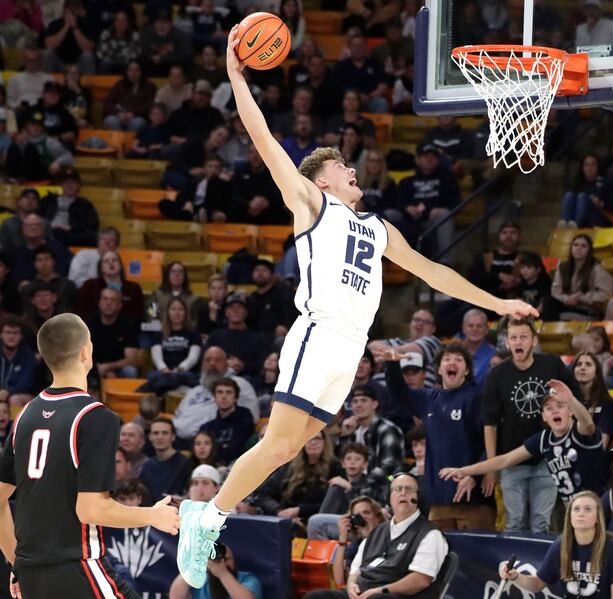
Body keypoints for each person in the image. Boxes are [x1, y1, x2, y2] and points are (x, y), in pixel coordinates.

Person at [177, 28, 536, 588]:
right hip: (318, 332)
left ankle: (212, 512)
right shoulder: (312, 201)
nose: (352, 168)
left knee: (293, 447)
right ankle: (206, 518)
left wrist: (499, 303)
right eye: (342, 165)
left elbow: (433, 272)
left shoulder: (378, 227)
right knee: (277, 441)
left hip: (349, 350)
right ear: (322, 179)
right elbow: (266, 140)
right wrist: (235, 76)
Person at [0, 314, 179, 598]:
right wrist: (153, 515)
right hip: (77, 566)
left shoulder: (24, 415)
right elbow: (91, 509)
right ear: (85, 351)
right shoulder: (95, 416)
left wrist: (17, 563)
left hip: (33, 574)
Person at [443, 379, 607, 520]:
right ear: (543, 416)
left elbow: (588, 424)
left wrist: (570, 399)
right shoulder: (543, 439)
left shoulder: (579, 432)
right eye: (549, 408)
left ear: (570, 411)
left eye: (560, 405)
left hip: (598, 505)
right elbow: (505, 460)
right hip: (573, 510)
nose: (555, 410)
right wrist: (466, 470)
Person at [481, 316, 581, 533]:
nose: (518, 342)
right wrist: (492, 466)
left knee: (541, 523)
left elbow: (575, 401)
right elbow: (489, 423)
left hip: (548, 458)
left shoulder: (552, 364)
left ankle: (539, 567)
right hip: (512, 459)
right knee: (515, 523)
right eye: (513, 337)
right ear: (507, 342)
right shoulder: (496, 375)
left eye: (523, 337)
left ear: (534, 340)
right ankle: (513, 567)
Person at [384, 343, 496, 531]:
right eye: (447, 359)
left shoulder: (477, 396)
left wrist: (476, 474)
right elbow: (399, 393)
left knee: (476, 558)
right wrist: (392, 365)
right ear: (439, 369)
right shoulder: (429, 398)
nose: (452, 362)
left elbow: (491, 438)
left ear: (466, 370)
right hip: (437, 500)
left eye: (458, 359)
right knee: (439, 557)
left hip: (472, 498)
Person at [303, 473, 449, 599]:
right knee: (315, 597)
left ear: (419, 498)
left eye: (409, 489)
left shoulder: (430, 534)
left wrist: (382, 590)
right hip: (365, 593)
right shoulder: (376, 532)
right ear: (389, 498)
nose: (403, 493)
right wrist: (351, 587)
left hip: (395, 596)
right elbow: (354, 572)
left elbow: (421, 580)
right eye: (397, 489)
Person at [498, 491, 613, 599]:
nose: (581, 514)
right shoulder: (562, 544)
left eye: (587, 509)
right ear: (570, 516)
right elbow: (538, 583)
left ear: (597, 517)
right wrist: (515, 576)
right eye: (576, 509)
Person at [172, 346, 259, 443]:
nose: (212, 364)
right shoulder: (195, 391)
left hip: (212, 442)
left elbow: (251, 418)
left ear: (227, 364)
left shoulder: (239, 384)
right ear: (202, 366)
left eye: (218, 360)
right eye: (208, 360)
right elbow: (177, 415)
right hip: (177, 440)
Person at [306, 443, 388, 539]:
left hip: (361, 525)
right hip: (346, 522)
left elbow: (361, 510)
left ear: (365, 464)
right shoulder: (341, 484)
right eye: (348, 459)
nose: (352, 462)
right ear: (343, 463)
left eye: (357, 459)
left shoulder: (370, 482)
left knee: (315, 522)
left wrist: (349, 488)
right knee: (335, 488)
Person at [337, 385, 404, 479]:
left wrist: (361, 484)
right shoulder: (353, 430)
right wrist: (345, 435)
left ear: (375, 404)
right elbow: (341, 465)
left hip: (381, 487)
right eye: (355, 401)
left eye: (364, 400)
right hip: (354, 485)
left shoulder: (388, 429)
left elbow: (389, 465)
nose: (358, 404)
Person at [545, 234, 613, 321]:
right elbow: (555, 291)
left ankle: (552, 329)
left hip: (588, 309)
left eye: (583, 246)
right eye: (575, 245)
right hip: (567, 306)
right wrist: (566, 299)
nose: (578, 248)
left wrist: (581, 297)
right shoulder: (563, 267)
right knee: (549, 301)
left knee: (556, 316)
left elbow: (605, 295)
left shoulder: (597, 270)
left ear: (589, 250)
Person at [169, 543, 263, 599]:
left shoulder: (247, 579)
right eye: (217, 559)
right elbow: (175, 596)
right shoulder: (201, 581)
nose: (222, 563)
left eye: (227, 559)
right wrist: (195, 565)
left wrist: (223, 574)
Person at [86, 288, 140, 382]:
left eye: (113, 300)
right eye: (105, 299)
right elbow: (82, 354)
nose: (108, 303)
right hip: (94, 367)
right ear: (99, 303)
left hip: (118, 368)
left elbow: (132, 359)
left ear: (120, 305)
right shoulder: (89, 324)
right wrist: (97, 369)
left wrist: (107, 367)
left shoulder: (128, 325)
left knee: (130, 371)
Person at [199, 378, 255, 466]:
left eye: (228, 392)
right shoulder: (207, 427)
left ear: (236, 398)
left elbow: (235, 450)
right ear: (214, 397)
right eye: (220, 392)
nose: (224, 396)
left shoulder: (244, 419)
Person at [571, 351, 613, 447]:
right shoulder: (567, 402)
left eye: (588, 364)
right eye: (579, 364)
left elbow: (602, 445)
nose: (582, 367)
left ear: (596, 373)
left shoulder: (607, 403)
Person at [140, 417, 193, 502]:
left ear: (173, 437)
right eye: (156, 433)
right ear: (150, 437)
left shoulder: (185, 463)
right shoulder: (147, 466)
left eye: (165, 433)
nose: (160, 437)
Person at [558, 153, 611, 228]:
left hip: (595, 216)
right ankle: (566, 223)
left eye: (593, 165)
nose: (590, 168)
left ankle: (576, 225)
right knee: (569, 195)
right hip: (576, 215)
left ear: (598, 167)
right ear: (582, 167)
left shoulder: (604, 182)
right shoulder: (578, 182)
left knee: (582, 196)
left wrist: (600, 203)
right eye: (586, 165)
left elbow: (612, 204)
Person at [0, 316, 36, 407]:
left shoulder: (28, 356)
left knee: (14, 399)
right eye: (8, 332)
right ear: (1, 335)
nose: (11, 336)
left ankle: (14, 421)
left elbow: (26, 383)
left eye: (15, 333)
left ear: (21, 336)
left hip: (21, 396)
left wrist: (8, 391)